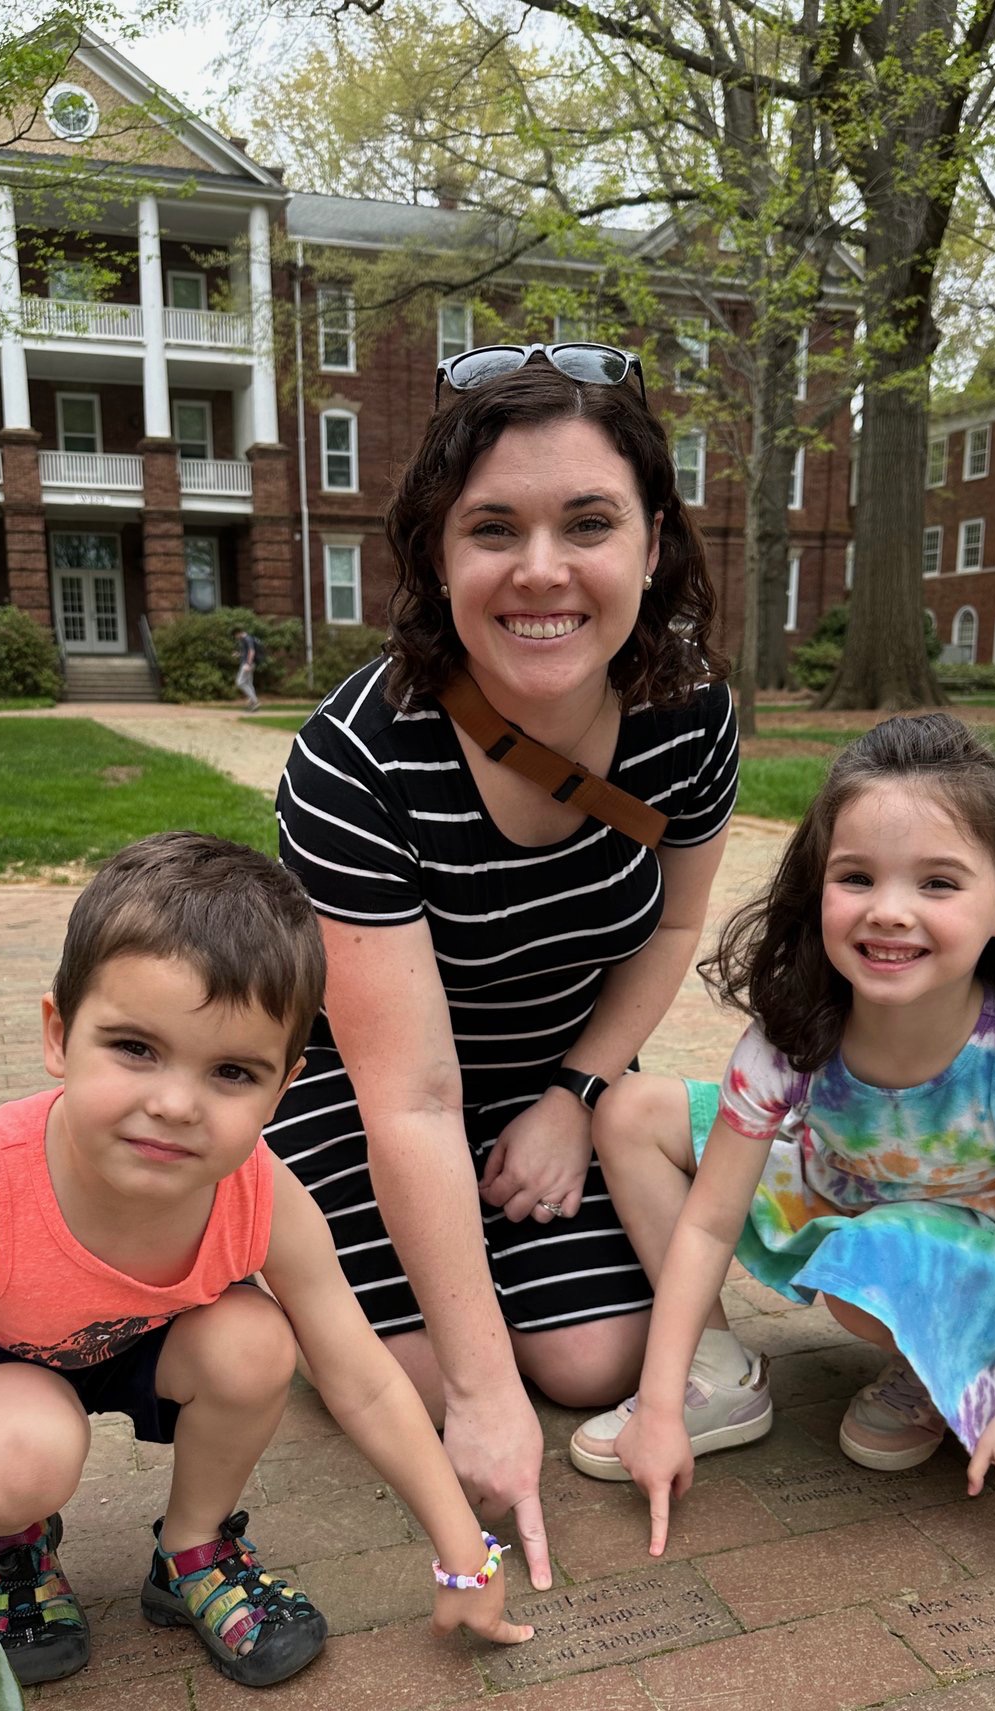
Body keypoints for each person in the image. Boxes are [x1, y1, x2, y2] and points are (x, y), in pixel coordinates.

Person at [0, 833, 529, 1686]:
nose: (177, 1104)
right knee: (23, 1456)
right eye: (135, 1048)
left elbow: (362, 1374)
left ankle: (191, 1549)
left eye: (232, 1071)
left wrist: (462, 1551)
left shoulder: (263, 1193)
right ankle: (11, 1542)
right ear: (58, 1033)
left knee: (260, 1340)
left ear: (283, 1087)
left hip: (139, 1342)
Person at [270, 342, 740, 1589]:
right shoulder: (354, 762)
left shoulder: (693, 714)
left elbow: (675, 929)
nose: (543, 569)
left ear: (651, 544)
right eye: (494, 528)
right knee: (428, 1382)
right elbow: (410, 1097)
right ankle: (266, 1260)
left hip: (557, 1075)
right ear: (438, 553)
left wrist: (577, 1096)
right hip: (372, 1096)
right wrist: (480, 1396)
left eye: (589, 522)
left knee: (592, 1361)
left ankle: (459, 1293)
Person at [571, 713, 995, 1563]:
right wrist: (656, 1403)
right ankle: (716, 1369)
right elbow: (709, 1220)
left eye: (939, 884)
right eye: (857, 877)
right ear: (819, 886)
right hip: (846, 1189)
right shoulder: (794, 1033)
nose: (889, 913)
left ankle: (939, 1367)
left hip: (984, 1266)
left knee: (867, 1265)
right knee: (631, 1111)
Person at [234, 627, 263, 708]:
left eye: (235, 635)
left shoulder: (247, 639)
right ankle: (252, 703)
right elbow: (246, 652)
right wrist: (239, 654)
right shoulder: (246, 639)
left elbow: (252, 651)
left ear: (238, 632)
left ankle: (255, 701)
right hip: (249, 663)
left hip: (247, 664)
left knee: (240, 682)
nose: (236, 637)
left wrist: (248, 664)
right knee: (249, 683)